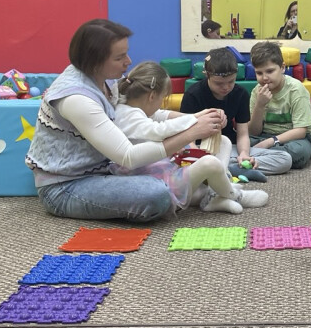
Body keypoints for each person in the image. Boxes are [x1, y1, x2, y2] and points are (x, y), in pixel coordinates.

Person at [25, 19, 222, 223]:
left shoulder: (106, 79)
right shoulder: (77, 99)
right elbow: (128, 157)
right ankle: (193, 193)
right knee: (157, 193)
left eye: (126, 53)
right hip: (66, 187)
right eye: (119, 57)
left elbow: (144, 114)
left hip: (106, 168)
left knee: (169, 158)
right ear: (94, 62)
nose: (128, 61)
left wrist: (197, 117)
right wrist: (191, 133)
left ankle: (201, 188)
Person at [113, 60, 268, 214]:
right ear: (152, 96)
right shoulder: (128, 115)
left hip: (169, 173)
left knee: (223, 142)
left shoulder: (134, 107)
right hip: (161, 183)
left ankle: (214, 195)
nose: (161, 104)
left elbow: (162, 115)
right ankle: (234, 195)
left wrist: (201, 115)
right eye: (162, 99)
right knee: (210, 163)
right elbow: (158, 130)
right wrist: (195, 123)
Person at [180, 48, 293, 177]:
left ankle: (225, 168)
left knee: (285, 159)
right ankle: (223, 168)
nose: (226, 87)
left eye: (231, 81)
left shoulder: (240, 94)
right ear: (207, 75)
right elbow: (184, 135)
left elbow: (243, 134)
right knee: (180, 158)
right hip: (200, 148)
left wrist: (244, 154)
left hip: (229, 147)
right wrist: (196, 154)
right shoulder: (193, 94)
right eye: (218, 83)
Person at [248, 41, 311, 170]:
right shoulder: (257, 91)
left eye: (270, 71)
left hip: (294, 139)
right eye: (259, 73)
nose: (264, 78)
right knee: (242, 140)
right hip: (264, 135)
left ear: (282, 68)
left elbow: (301, 131)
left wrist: (269, 143)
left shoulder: (296, 89)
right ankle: (267, 159)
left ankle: (255, 158)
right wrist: (259, 106)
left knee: (299, 152)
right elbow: (253, 131)